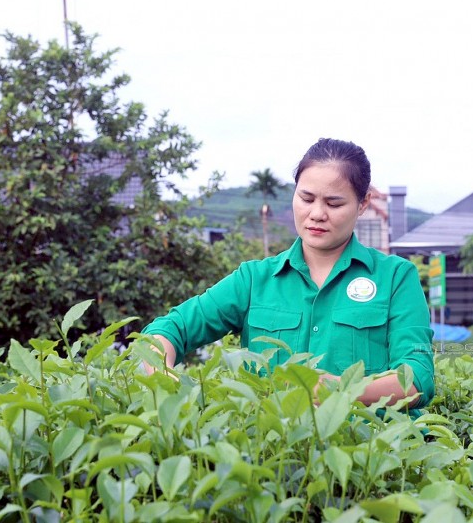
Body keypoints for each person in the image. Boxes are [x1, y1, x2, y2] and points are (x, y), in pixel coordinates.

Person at [141, 138, 434, 413]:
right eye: (306, 198)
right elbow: (169, 328)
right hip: (273, 454)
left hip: (371, 455)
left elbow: (418, 377)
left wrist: (342, 389)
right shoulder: (254, 279)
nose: (317, 213)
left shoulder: (396, 278)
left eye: (334, 203)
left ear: (363, 203)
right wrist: (163, 375)